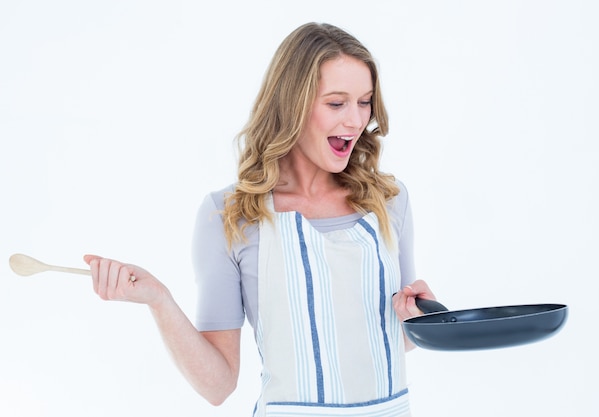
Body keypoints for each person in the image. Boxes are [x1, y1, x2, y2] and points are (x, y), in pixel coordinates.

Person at [84, 22, 436, 417]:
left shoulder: (389, 201)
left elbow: (399, 339)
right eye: (336, 104)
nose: (355, 121)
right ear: (292, 104)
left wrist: (421, 318)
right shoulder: (230, 216)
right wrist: (159, 300)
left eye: (365, 101)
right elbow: (218, 386)